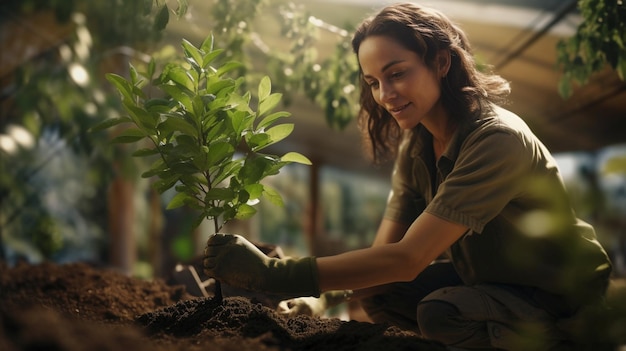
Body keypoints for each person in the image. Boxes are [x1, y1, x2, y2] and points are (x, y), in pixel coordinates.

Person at [203, 3, 612, 350]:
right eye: (373, 83)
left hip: (559, 296)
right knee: (380, 290)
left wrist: (276, 276)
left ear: (441, 62)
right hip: (494, 279)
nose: (384, 95)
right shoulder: (418, 145)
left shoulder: (496, 139)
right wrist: (322, 301)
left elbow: (409, 258)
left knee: (440, 313)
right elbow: (386, 253)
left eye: (396, 74)